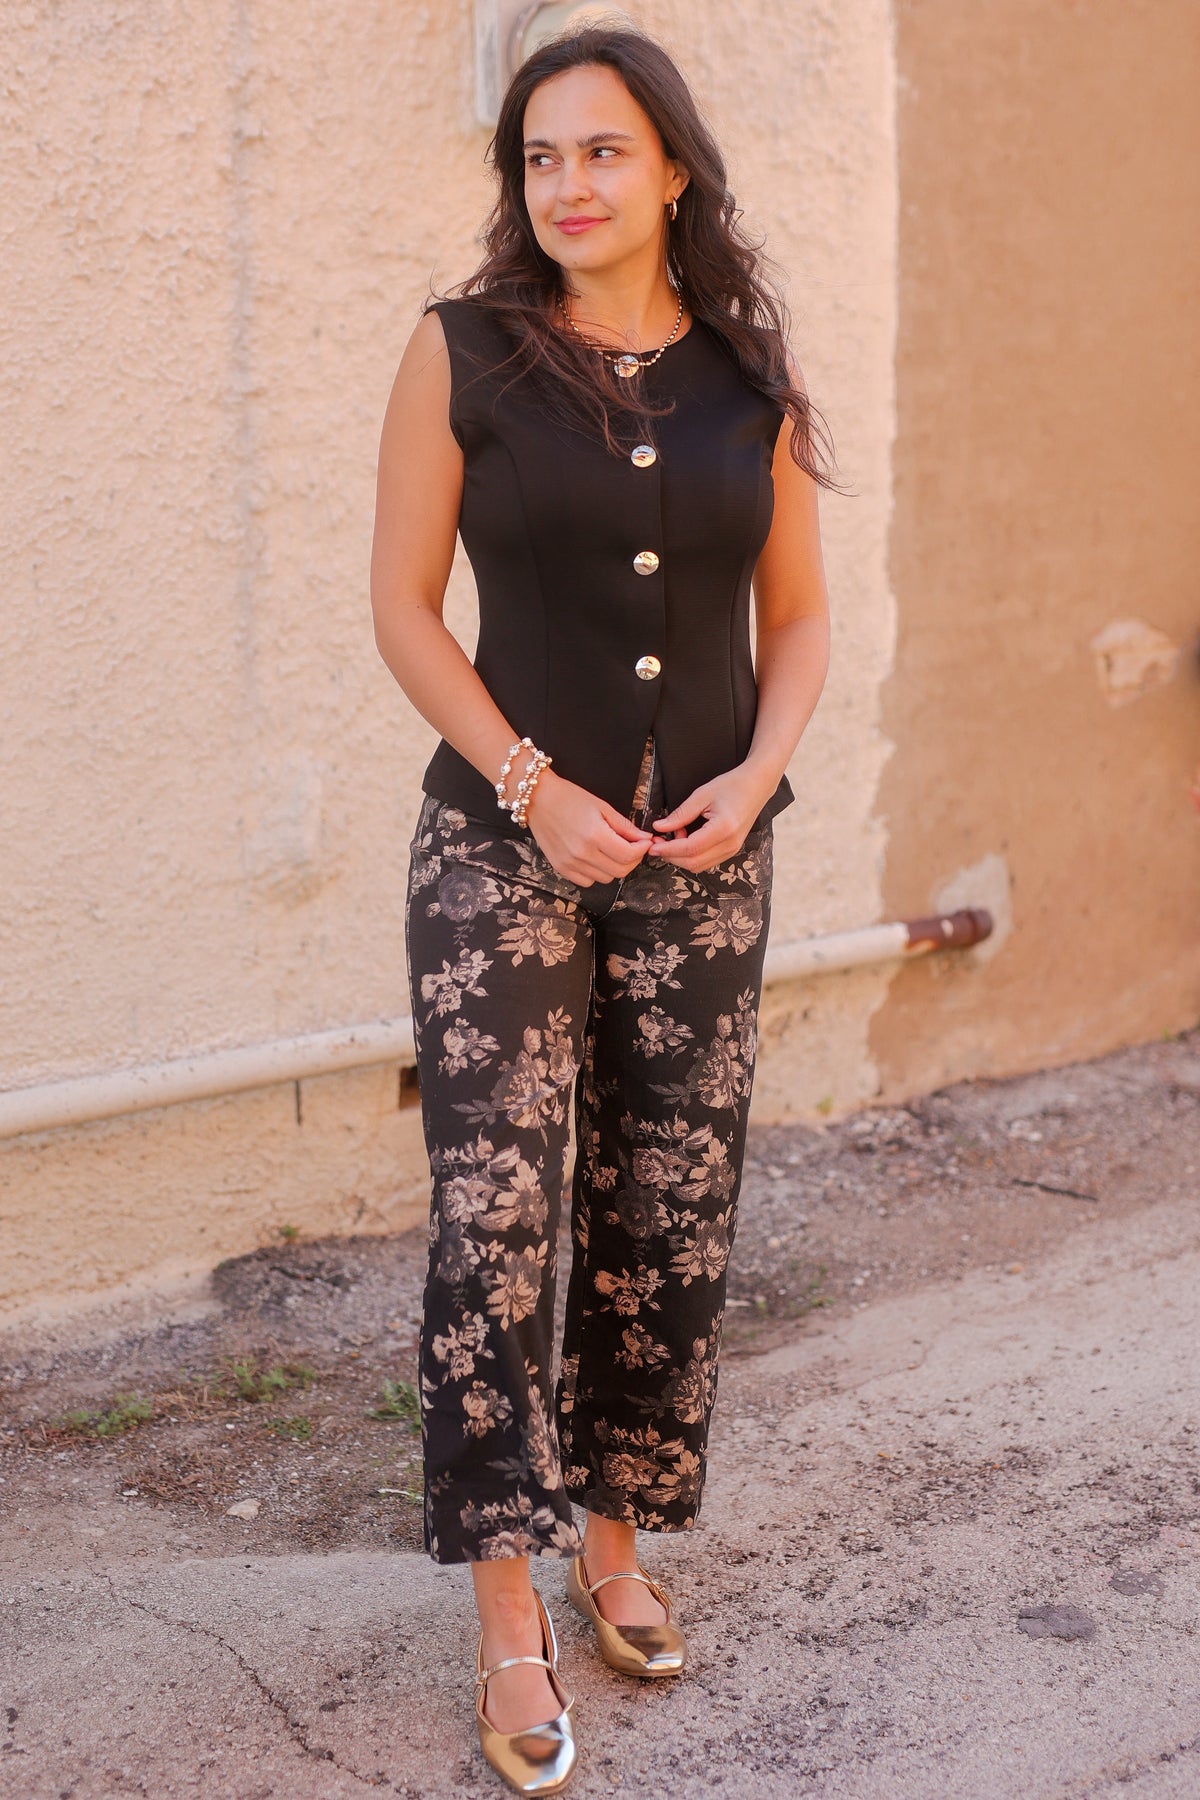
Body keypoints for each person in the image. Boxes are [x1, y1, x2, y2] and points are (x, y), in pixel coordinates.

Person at [371, 23, 835, 1795]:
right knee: (498, 1217)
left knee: (666, 1202)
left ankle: (617, 1535)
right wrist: (527, 787)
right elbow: (405, 607)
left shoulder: (745, 376)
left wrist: (756, 780)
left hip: (707, 854)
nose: (568, 185)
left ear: (674, 173)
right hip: (504, 846)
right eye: (541, 157)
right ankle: (509, 1608)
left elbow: (795, 620)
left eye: (603, 153)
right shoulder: (463, 353)